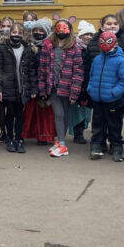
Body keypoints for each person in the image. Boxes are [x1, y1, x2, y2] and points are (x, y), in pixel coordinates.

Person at [37, 19, 84, 158]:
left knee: (66, 114)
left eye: (65, 28)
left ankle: (60, 142)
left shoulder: (74, 48)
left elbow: (78, 71)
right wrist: (42, 88)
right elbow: (42, 68)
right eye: (59, 28)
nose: (61, 31)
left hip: (67, 87)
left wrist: (74, 92)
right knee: (59, 114)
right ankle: (62, 143)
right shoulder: (47, 46)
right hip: (52, 87)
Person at [87, 30, 124, 161]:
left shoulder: (120, 61)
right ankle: (97, 146)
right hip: (97, 98)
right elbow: (91, 75)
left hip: (112, 100)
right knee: (97, 124)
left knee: (114, 125)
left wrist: (114, 93)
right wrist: (91, 89)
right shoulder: (97, 59)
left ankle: (116, 147)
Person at [0, 22, 35, 153]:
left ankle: (19, 139)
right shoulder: (2, 49)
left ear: (23, 35)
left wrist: (33, 89)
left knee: (20, 115)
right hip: (8, 86)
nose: (16, 35)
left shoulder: (27, 49)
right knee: (10, 114)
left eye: (19, 33)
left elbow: (31, 70)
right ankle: (9, 138)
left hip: (22, 88)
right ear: (10, 33)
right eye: (14, 32)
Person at [23, 19, 56, 146]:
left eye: (41, 30)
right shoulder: (28, 45)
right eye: (35, 30)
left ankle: (44, 136)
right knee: (31, 111)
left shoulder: (51, 46)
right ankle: (28, 133)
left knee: (44, 112)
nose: (38, 33)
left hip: (46, 82)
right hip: (32, 82)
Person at [69, 20, 95, 144]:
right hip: (76, 83)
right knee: (77, 110)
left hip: (89, 83)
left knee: (86, 110)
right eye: (86, 34)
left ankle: (82, 130)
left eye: (91, 34)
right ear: (80, 35)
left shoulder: (94, 48)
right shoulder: (75, 48)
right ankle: (77, 133)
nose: (88, 37)